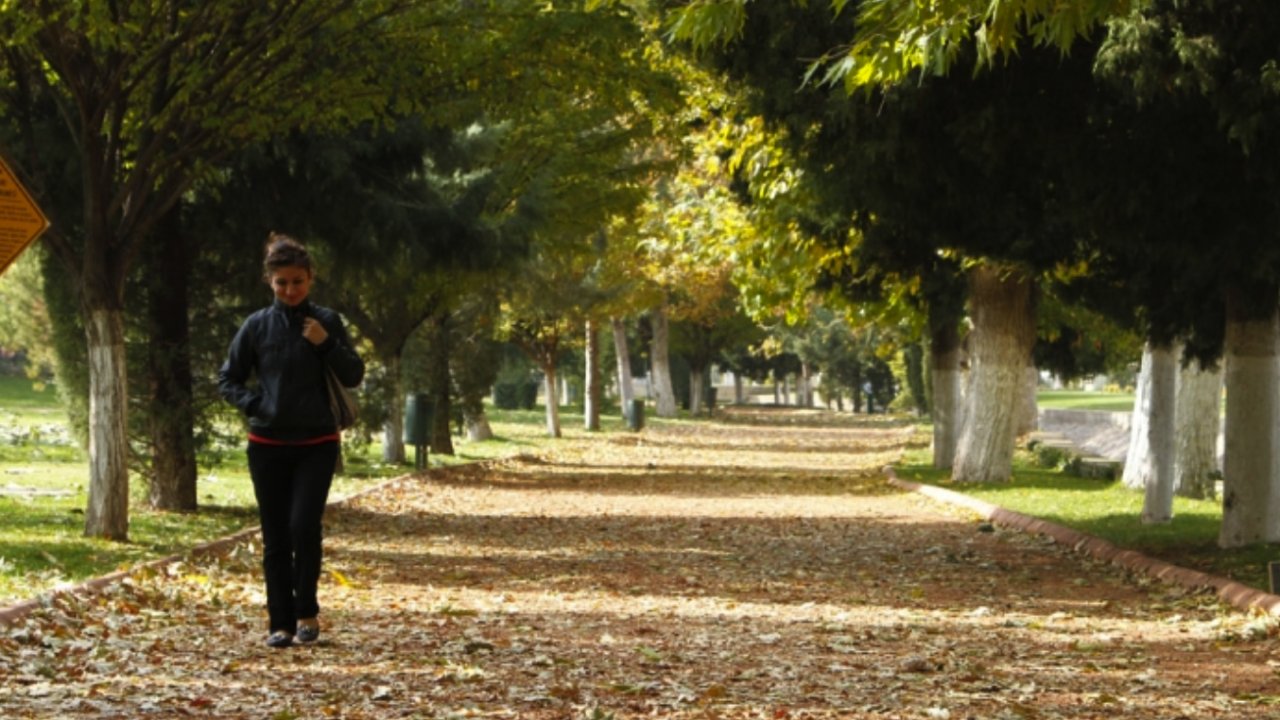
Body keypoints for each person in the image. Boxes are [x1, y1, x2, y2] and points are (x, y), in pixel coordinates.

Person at [218, 233, 364, 648]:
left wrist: (326, 343)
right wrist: (256, 404)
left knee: (303, 526)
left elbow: (354, 374)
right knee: (276, 534)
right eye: (281, 282)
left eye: (297, 281)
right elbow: (228, 378)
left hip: (317, 444)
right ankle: (279, 624)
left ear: (310, 278)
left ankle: (307, 613)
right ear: (269, 281)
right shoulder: (256, 326)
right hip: (267, 445)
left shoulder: (327, 321)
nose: (290, 290)